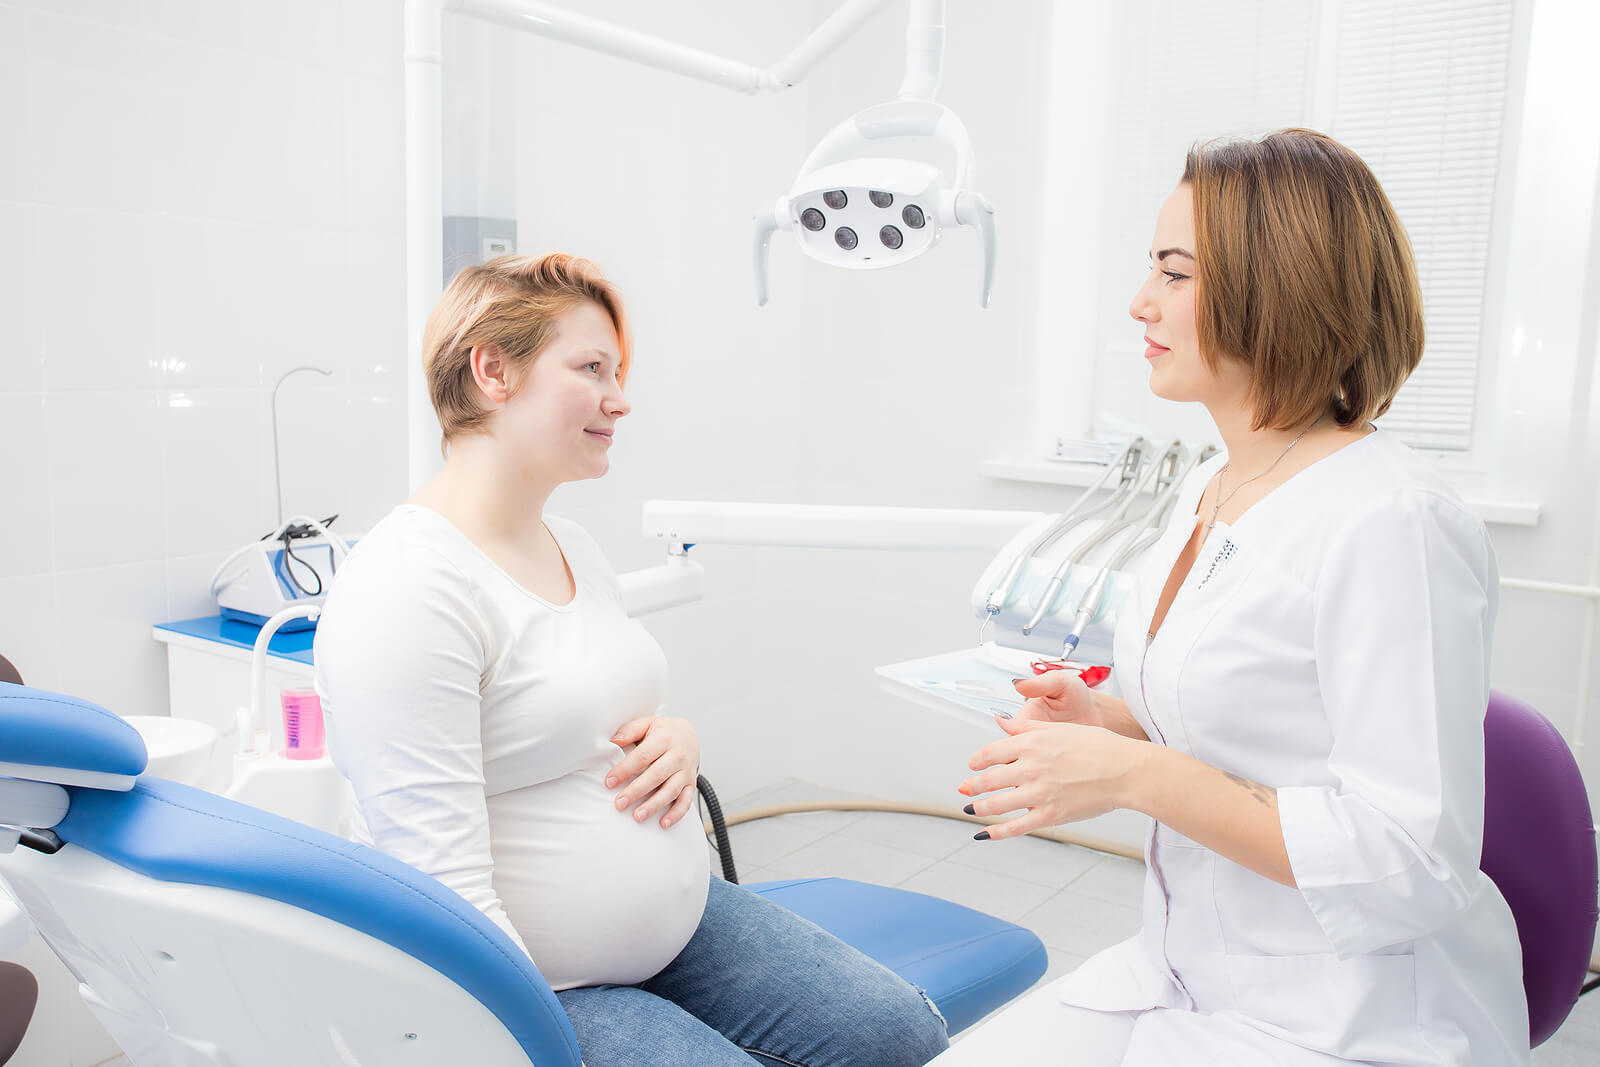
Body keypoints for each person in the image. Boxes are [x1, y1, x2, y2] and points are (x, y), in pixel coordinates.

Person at [931, 129, 1528, 1065]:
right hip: (1187, 971)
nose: (1140, 301)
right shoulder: (1214, 483)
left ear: (1279, 286)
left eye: (1174, 272)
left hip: (1350, 1017)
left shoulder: (1394, 522)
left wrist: (1133, 776)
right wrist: (1106, 724)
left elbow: (1411, 862)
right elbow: (1242, 718)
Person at [314, 253, 948, 1067]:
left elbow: (583, 712)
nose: (620, 398)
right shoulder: (408, 588)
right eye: (591, 368)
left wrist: (677, 738)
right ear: (492, 371)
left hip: (676, 929)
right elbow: (441, 896)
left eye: (617, 372)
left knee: (905, 1036)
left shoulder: (570, 543)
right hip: (533, 986)